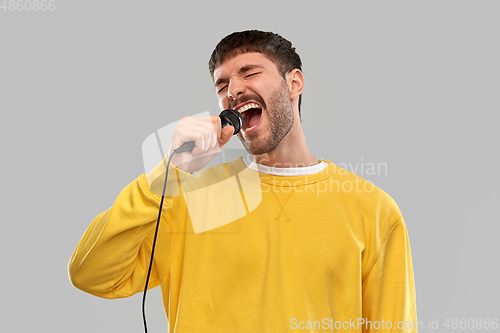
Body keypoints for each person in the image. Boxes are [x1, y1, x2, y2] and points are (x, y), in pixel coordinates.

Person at [69, 30, 418, 332]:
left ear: (294, 82)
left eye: (249, 72)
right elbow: (91, 274)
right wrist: (167, 177)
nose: (233, 90)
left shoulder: (372, 209)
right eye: (222, 84)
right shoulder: (185, 198)